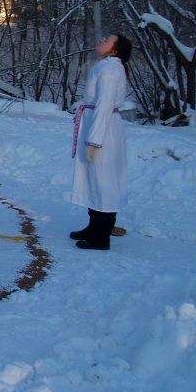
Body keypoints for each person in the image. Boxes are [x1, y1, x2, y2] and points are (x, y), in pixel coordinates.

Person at [69, 33, 133, 251]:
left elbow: (105, 104)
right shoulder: (105, 66)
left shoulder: (110, 70)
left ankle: (101, 236)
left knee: (104, 181)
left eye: (108, 40)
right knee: (94, 179)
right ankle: (94, 227)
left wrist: (94, 140)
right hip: (96, 124)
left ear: (114, 50)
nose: (102, 39)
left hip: (104, 131)